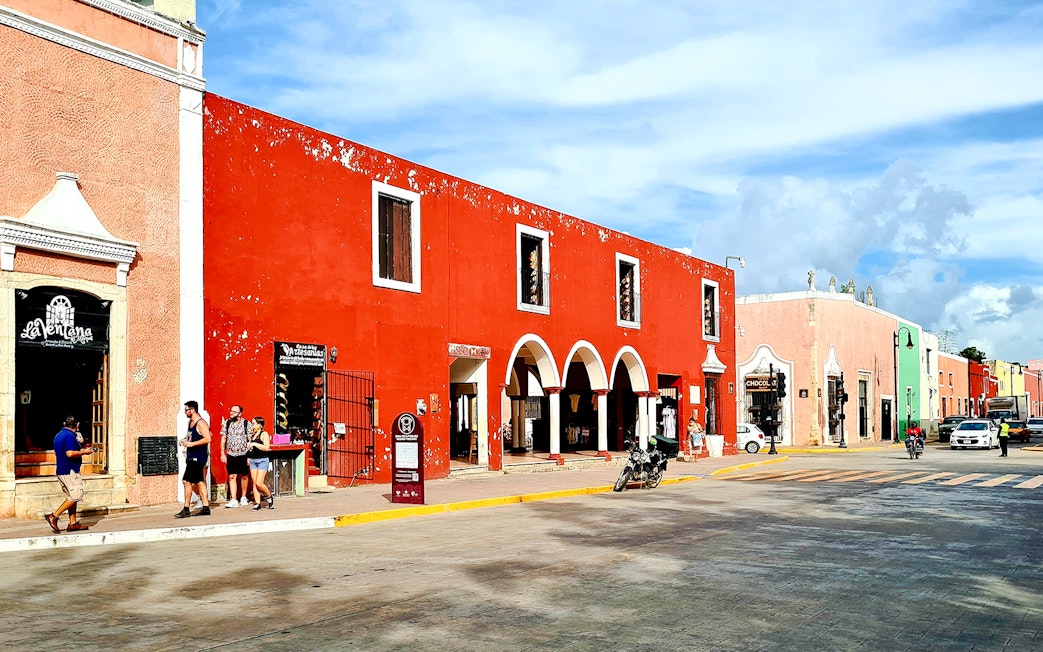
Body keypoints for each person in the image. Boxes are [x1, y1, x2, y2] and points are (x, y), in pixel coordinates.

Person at [44, 416, 93, 533]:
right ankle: (54, 516)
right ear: (77, 425)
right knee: (76, 496)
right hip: (70, 470)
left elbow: (58, 452)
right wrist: (84, 452)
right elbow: (70, 453)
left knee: (71, 497)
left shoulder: (58, 435)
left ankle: (73, 523)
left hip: (61, 470)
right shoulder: (70, 436)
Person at [176, 400, 212, 518]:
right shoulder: (190, 423)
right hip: (191, 456)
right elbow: (190, 436)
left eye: (186, 410)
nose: (185, 412)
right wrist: (184, 440)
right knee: (200, 482)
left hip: (198, 457)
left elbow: (207, 439)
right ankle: (206, 507)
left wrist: (192, 444)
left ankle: (186, 508)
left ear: (192, 410)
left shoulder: (201, 423)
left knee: (186, 481)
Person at [220, 404, 251, 507]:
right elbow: (223, 439)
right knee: (232, 476)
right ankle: (233, 499)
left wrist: (249, 456)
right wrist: (222, 453)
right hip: (231, 454)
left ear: (240, 414)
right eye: (231, 411)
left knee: (244, 476)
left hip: (243, 454)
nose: (231, 413)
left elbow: (250, 440)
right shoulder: (227, 423)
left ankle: (243, 497)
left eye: (234, 411)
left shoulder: (247, 424)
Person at [246, 416, 275, 510]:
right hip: (253, 460)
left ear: (259, 424)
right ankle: (257, 503)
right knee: (254, 483)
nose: (252, 425)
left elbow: (266, 447)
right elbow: (251, 449)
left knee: (259, 483)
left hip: (262, 460)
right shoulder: (252, 435)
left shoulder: (264, 434)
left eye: (254, 423)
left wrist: (255, 444)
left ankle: (269, 496)